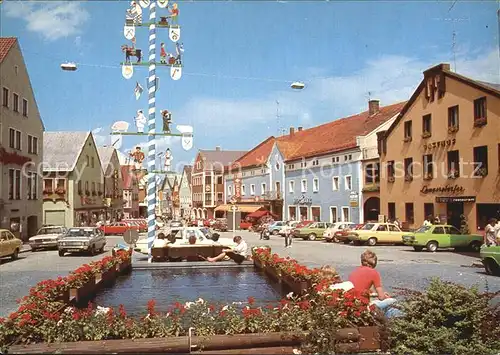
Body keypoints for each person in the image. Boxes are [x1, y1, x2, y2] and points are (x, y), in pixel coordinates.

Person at [348, 250, 402, 318]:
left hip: (353, 302)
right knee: (393, 301)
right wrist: (385, 296)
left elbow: (360, 289)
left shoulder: (355, 271)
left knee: (388, 308)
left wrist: (377, 294)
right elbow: (381, 297)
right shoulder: (374, 273)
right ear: (374, 262)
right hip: (364, 304)